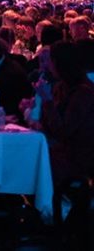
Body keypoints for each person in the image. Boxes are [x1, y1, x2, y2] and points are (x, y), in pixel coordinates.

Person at [36, 41, 94, 188]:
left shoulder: (83, 92)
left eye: (50, 60)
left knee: (32, 161)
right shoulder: (61, 86)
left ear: (57, 62)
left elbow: (63, 131)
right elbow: (49, 126)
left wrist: (47, 101)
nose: (48, 65)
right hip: (61, 149)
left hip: (78, 157)